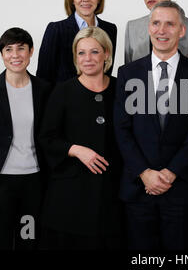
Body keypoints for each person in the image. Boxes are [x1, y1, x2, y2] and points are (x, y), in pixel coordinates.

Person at [114, 1, 188, 250]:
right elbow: (122, 129)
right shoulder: (128, 73)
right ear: (149, 28)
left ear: (182, 31)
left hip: (181, 188)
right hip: (139, 189)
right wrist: (145, 173)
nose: (162, 30)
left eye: (170, 24)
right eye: (156, 23)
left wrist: (170, 173)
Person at [39, 27, 124, 249]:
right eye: (81, 53)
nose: (88, 59)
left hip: (111, 193)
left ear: (106, 53)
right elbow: (46, 138)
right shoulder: (63, 91)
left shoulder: (121, 89)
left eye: (94, 52)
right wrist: (75, 149)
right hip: (71, 194)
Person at [0, 27, 51, 249]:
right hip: (1, 185)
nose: (15, 55)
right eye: (9, 49)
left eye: (21, 49)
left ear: (31, 52)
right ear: (2, 54)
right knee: (0, 242)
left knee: (29, 241)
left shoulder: (44, 89)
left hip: (34, 184)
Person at [36, 0, 117, 84]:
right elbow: (43, 76)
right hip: (64, 99)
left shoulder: (109, 29)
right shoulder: (56, 29)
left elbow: (106, 69)